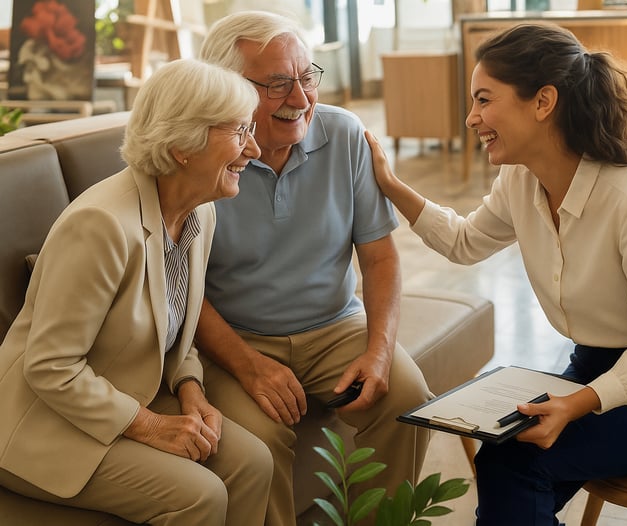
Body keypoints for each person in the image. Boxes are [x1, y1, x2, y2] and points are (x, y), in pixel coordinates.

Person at [365, 23, 627, 526]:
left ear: (543, 102)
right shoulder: (520, 180)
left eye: (484, 99)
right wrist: (390, 184)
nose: (472, 118)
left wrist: (575, 404)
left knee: (520, 467)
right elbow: (466, 243)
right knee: (504, 455)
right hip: (595, 366)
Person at [0, 58, 272, 526]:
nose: (254, 148)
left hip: (126, 391)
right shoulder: (101, 226)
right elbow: (50, 367)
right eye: (239, 130)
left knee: (253, 463)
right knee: (199, 496)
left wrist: (191, 390)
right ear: (183, 145)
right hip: (43, 422)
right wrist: (150, 426)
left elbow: (174, 325)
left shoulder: (199, 211)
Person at [196, 11, 432, 526]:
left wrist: (379, 350)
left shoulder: (344, 135)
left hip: (333, 325)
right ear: (227, 88)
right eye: (279, 83)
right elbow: (182, 292)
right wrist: (245, 364)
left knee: (409, 396)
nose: (301, 98)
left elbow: (380, 256)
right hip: (237, 336)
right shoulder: (201, 155)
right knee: (258, 443)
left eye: (307, 77)